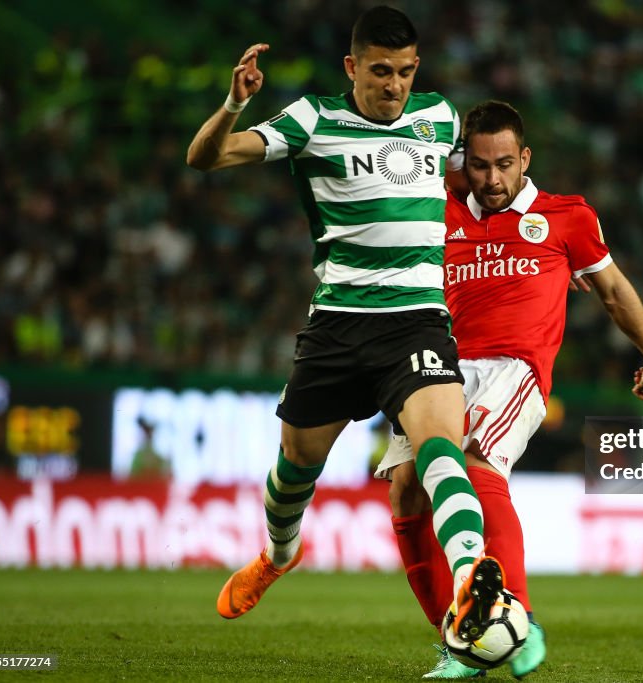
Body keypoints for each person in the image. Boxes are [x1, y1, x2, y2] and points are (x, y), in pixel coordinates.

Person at [186, 6, 506, 642]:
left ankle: (472, 574)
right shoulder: (313, 118)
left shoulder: (440, 118)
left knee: (443, 444)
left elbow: (486, 187)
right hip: (337, 325)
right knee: (293, 471)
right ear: (352, 67)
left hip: (416, 323)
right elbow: (205, 158)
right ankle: (280, 554)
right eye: (381, 72)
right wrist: (233, 102)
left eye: (406, 73)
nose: (395, 86)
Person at [377, 101, 643, 678]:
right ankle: (462, 638)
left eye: (504, 165)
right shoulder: (439, 211)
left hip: (515, 369)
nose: (492, 179)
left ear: (525, 158)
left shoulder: (566, 217)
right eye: (480, 166)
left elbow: (611, 290)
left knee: (473, 462)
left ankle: (522, 620)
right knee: (407, 491)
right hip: (440, 370)